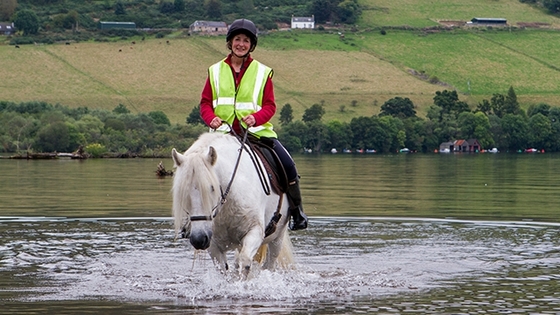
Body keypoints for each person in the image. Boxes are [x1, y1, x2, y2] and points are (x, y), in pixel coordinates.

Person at [198, 18, 308, 231]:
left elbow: (270, 106)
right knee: (192, 167)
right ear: (230, 42)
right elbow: (205, 102)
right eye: (237, 39)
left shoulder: (263, 72)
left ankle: (297, 212)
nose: (241, 44)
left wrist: (256, 118)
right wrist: (210, 117)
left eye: (246, 40)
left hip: (257, 134)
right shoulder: (214, 71)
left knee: (288, 166)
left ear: (251, 45)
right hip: (222, 136)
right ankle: (189, 222)